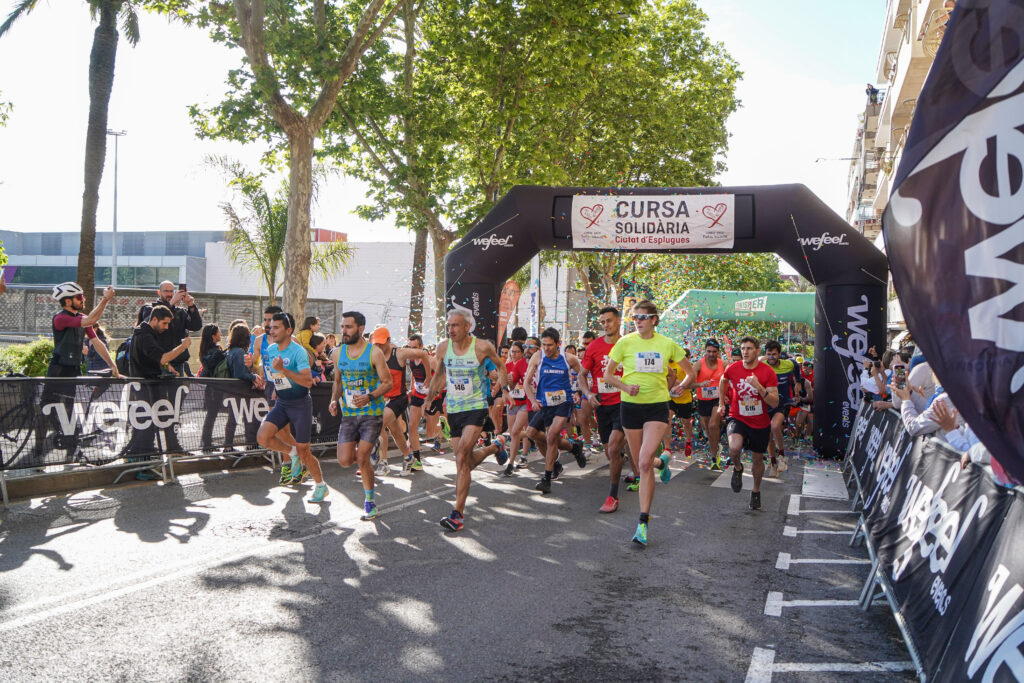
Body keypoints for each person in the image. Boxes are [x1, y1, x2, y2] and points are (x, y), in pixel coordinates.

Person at [603, 300, 693, 546]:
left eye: (644, 317)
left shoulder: (667, 344)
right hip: (630, 407)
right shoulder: (625, 342)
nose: (639, 321)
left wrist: (679, 387)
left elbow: (690, 372)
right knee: (641, 460)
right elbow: (608, 375)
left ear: (654, 319)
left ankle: (642, 522)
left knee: (642, 462)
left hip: (657, 406)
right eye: (635, 318)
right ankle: (661, 461)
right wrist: (624, 386)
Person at [425, 309, 510, 532]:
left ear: (466, 327)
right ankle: (495, 447)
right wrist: (429, 398)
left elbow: (501, 366)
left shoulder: (482, 347)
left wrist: (505, 389)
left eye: (455, 325)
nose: (451, 330)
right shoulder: (444, 347)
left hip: (476, 406)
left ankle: (457, 514)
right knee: (464, 462)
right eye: (449, 325)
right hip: (453, 409)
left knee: (462, 455)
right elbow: (440, 375)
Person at [328, 311, 393, 517]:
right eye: (342, 327)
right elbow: (338, 382)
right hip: (349, 414)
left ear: (361, 328)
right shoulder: (338, 353)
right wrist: (333, 399)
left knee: (362, 457)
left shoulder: (374, 353)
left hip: (371, 414)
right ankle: (373, 446)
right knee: (345, 461)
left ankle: (370, 501)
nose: (344, 331)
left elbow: (387, 382)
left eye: (348, 327)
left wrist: (370, 396)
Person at [257, 313, 325, 501]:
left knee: (305, 451)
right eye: (271, 327)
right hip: (282, 402)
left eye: (277, 327)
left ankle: (321, 485)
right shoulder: (271, 350)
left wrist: (284, 371)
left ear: (288, 330)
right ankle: (291, 452)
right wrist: (277, 387)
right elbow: (275, 375)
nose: (272, 330)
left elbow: (307, 381)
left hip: (300, 405)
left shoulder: (298, 352)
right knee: (263, 437)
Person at [125, 306, 192, 473]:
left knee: (148, 427)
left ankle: (142, 463)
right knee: (146, 428)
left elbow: (155, 359)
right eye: (164, 323)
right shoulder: (145, 335)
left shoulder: (144, 333)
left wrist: (168, 367)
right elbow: (160, 357)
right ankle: (142, 468)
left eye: (168, 324)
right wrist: (183, 347)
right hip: (145, 388)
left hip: (147, 387)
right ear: (154, 319)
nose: (166, 327)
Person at [524, 327, 591, 494]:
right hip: (544, 403)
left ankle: (546, 478)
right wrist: (533, 401)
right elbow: (526, 383)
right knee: (531, 433)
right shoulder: (538, 357)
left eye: (550, 345)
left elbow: (582, 375)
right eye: (544, 345)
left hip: (563, 402)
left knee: (552, 435)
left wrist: (580, 392)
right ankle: (573, 449)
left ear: (558, 344)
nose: (546, 348)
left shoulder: (569, 358)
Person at [719, 336, 779, 511]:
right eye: (743, 348)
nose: (745, 352)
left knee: (757, 459)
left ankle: (755, 491)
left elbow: (774, 402)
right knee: (734, 447)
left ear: (758, 351)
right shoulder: (733, 368)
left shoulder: (768, 372)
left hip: (760, 422)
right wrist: (722, 403)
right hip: (738, 416)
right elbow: (723, 380)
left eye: (749, 348)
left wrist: (759, 387)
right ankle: (737, 468)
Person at [579, 306, 630, 513]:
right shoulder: (594, 347)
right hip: (602, 405)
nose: (606, 325)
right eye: (602, 322)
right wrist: (588, 394)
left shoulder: (629, 343)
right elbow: (582, 374)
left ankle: (612, 496)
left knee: (613, 448)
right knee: (611, 452)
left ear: (618, 321)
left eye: (609, 321)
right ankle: (628, 461)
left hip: (623, 403)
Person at [249, 305, 299, 483]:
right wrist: (251, 364)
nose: (268, 323)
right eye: (266, 320)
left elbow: (305, 362)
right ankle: (294, 463)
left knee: (281, 429)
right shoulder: (259, 340)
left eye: (272, 320)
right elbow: (255, 362)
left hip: (289, 387)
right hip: (272, 386)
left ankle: (294, 463)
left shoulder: (292, 340)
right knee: (280, 430)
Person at [371, 326, 431, 474]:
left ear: (389, 341)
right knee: (396, 432)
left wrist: (428, 376)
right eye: (375, 343)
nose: (378, 346)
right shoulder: (373, 354)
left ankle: (383, 462)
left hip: (398, 398)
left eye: (381, 343)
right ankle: (408, 457)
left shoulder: (399, 353)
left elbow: (423, 354)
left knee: (378, 422)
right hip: (383, 398)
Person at [136, 281, 203, 376]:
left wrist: (191, 306)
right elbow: (148, 322)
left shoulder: (180, 312)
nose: (169, 294)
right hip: (158, 362)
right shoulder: (149, 309)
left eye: (171, 291)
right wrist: (171, 303)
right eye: (166, 291)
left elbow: (196, 326)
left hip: (178, 362)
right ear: (159, 292)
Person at [763, 340, 801, 477]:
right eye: (769, 355)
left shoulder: (788, 363)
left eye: (774, 354)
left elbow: (797, 366)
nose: (771, 357)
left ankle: (782, 457)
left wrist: (798, 382)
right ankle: (773, 462)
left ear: (779, 354)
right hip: (766, 404)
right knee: (767, 435)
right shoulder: (762, 365)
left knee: (775, 426)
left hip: (783, 403)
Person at [693, 339, 726, 470]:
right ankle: (716, 447)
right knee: (708, 430)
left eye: (714, 352)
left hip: (717, 399)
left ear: (718, 352)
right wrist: (699, 384)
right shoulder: (698, 364)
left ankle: (714, 458)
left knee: (713, 425)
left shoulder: (723, 364)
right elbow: (690, 382)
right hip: (703, 400)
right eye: (709, 351)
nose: (711, 354)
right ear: (705, 351)